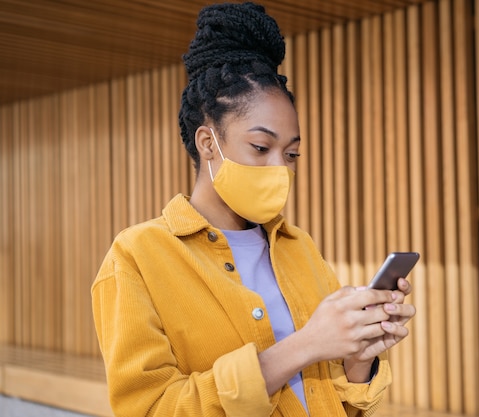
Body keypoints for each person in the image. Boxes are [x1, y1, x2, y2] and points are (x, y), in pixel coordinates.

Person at [91, 2, 416, 416]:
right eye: (261, 148)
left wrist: (358, 357)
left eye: (292, 153)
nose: (279, 168)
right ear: (208, 143)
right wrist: (304, 345)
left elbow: (338, 407)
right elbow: (150, 409)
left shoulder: (301, 250)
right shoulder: (136, 257)